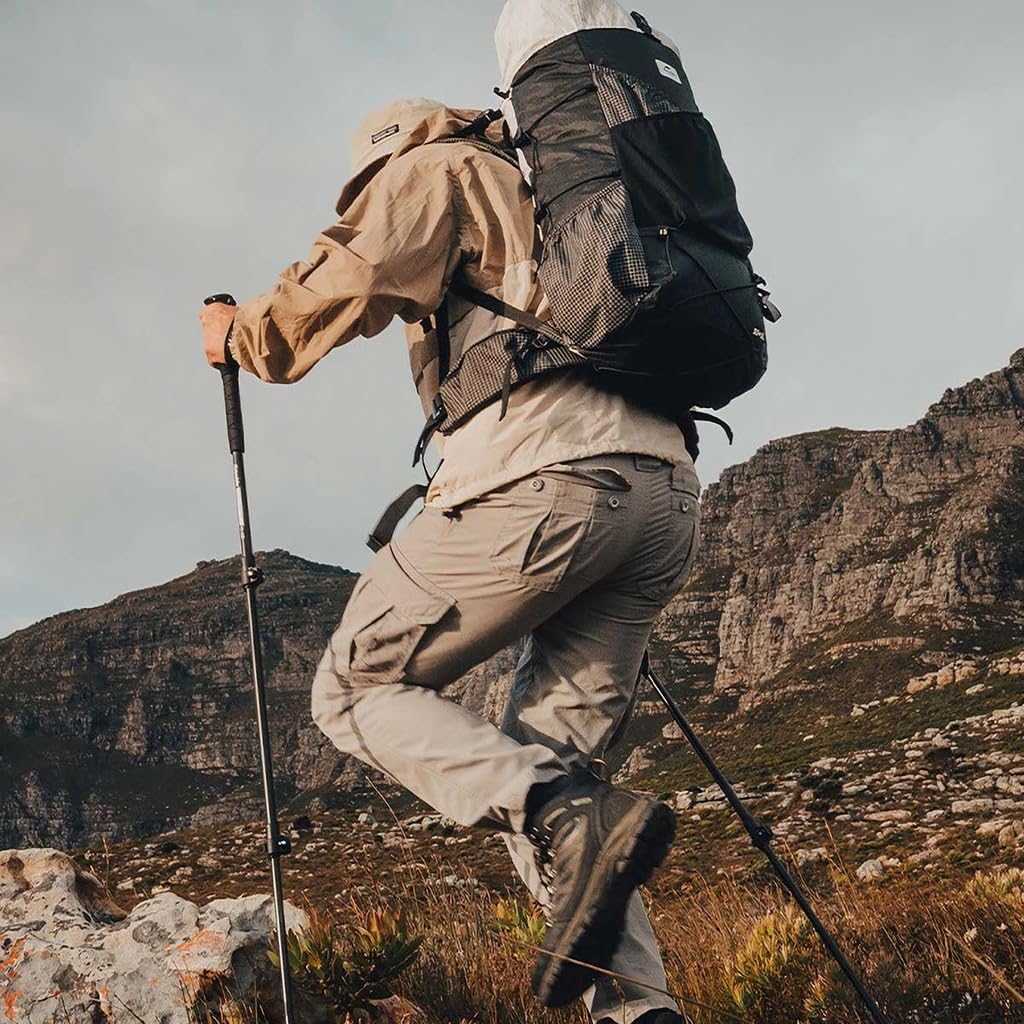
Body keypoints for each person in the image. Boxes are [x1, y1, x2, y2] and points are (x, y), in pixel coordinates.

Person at [200, 97, 700, 1024]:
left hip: (546, 478)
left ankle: (566, 817)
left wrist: (238, 332)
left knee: (354, 689)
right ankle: (638, 1012)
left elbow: (330, 290)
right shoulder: (564, 191)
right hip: (665, 492)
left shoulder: (435, 171)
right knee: (554, 770)